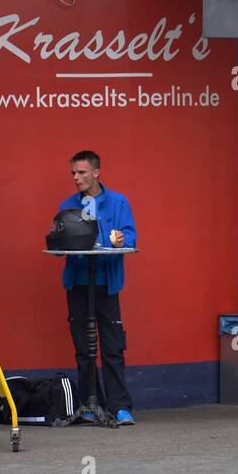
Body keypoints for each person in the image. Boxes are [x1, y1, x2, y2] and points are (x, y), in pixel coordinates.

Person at [59, 150, 137, 425]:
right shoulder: (68, 205)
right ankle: (90, 404)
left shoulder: (118, 202)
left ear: (96, 172)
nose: (76, 178)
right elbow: (58, 241)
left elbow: (130, 235)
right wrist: (61, 240)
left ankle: (120, 407)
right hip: (78, 283)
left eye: (81, 172)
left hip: (106, 284)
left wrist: (120, 240)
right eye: (73, 173)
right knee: (83, 346)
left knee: (112, 346)